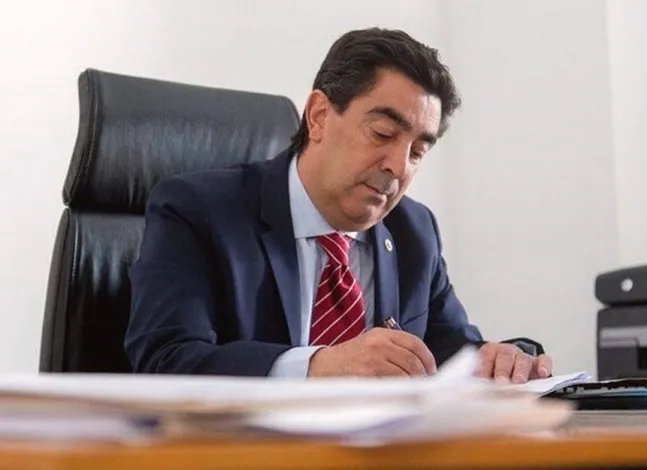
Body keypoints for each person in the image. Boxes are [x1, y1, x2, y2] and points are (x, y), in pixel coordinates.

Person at [125, 27, 553, 382]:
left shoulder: (414, 231)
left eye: (418, 152)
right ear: (319, 116)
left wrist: (500, 359)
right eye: (383, 134)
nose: (398, 166)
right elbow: (167, 359)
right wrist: (318, 366)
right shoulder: (199, 210)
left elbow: (453, 351)